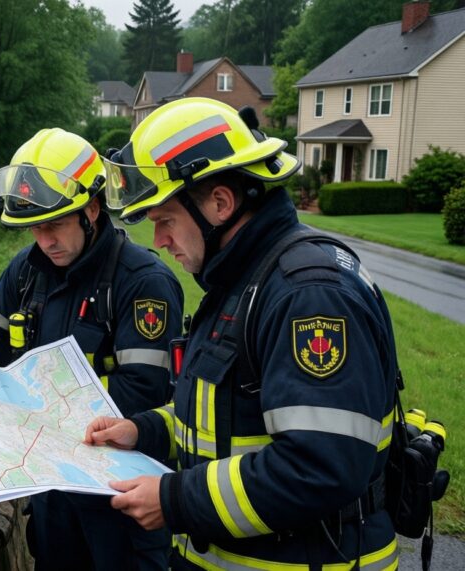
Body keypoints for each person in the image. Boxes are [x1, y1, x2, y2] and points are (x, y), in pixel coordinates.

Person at [84, 97, 400, 569]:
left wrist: (174, 500)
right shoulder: (242, 279)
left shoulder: (308, 296)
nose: (159, 241)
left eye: (165, 220)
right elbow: (225, 420)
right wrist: (142, 430)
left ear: (219, 203)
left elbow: (319, 466)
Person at [0, 128, 183, 570]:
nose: (45, 240)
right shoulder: (27, 272)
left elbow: (144, 392)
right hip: (53, 495)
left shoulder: (143, 284)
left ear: (91, 210)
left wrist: (34, 406)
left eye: (56, 225)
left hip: (120, 504)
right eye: (35, 228)